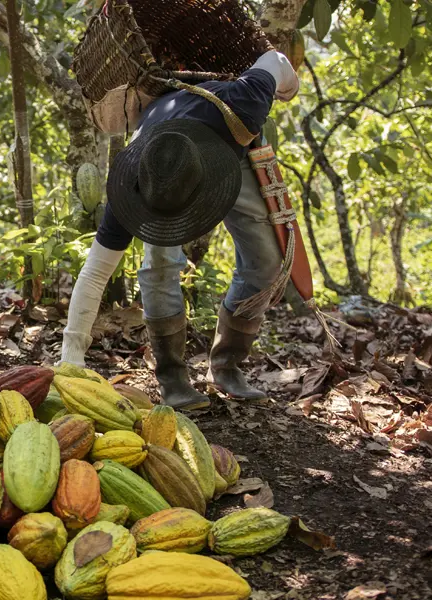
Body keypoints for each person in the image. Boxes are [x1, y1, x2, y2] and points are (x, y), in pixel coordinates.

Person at [60, 50, 300, 410]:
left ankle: (226, 365)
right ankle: (172, 378)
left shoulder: (245, 101)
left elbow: (276, 59)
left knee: (266, 264)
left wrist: (287, 90)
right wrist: (70, 360)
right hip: (163, 152)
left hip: (229, 144)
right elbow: (95, 273)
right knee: (158, 265)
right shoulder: (135, 184)